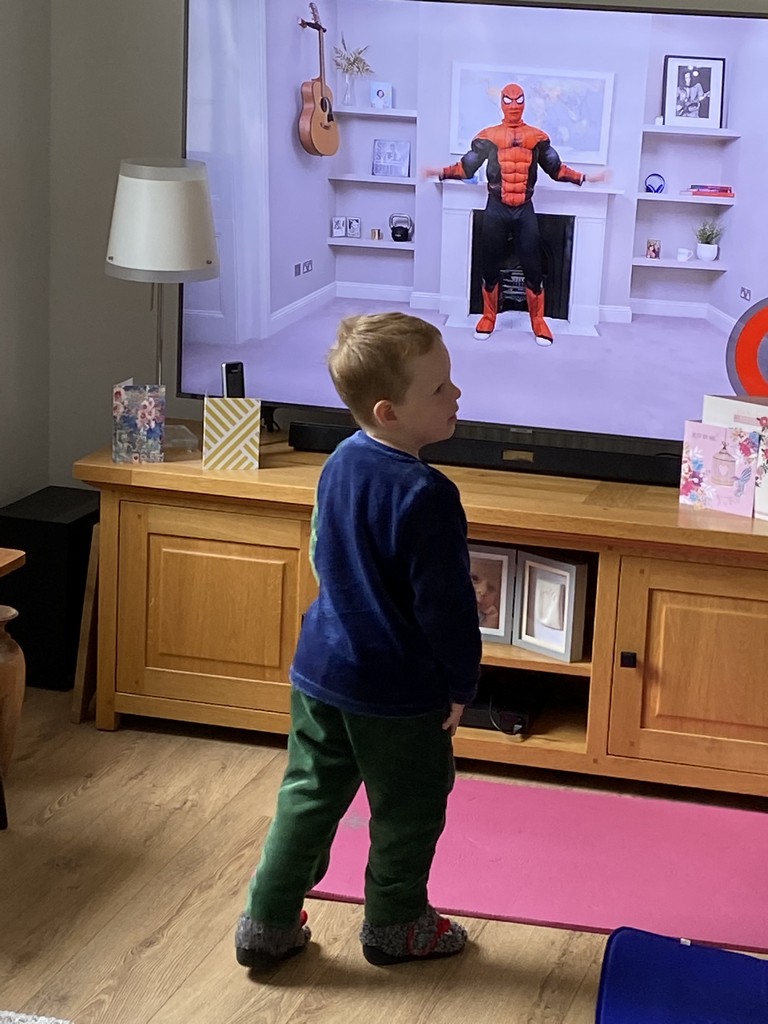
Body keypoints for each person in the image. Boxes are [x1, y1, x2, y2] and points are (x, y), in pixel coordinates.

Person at [235, 312, 482, 970]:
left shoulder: (340, 460)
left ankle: (266, 920)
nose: (456, 394)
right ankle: (397, 926)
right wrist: (461, 685)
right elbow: (447, 609)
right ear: (388, 411)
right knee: (408, 810)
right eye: (439, 388)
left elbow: (326, 552)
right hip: (398, 692)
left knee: (308, 793)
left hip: (322, 671)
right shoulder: (428, 494)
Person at [424, 83, 608, 346]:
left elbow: (556, 169)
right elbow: (466, 168)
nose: (513, 105)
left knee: (533, 266)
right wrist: (439, 172)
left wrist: (586, 178)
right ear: (501, 102)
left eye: (518, 100)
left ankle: (538, 321)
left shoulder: (537, 138)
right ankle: (489, 317)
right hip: (496, 207)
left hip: (524, 209)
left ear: (524, 102)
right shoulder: (488, 136)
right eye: (508, 100)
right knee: (489, 264)